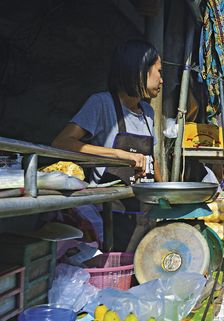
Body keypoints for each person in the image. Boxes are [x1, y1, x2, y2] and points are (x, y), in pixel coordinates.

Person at [52, 40, 163, 252]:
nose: (162, 80)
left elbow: (152, 159)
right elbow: (62, 142)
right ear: (140, 69)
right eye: (159, 71)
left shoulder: (148, 113)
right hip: (107, 217)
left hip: (139, 215)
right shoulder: (101, 103)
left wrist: (167, 192)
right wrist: (118, 155)